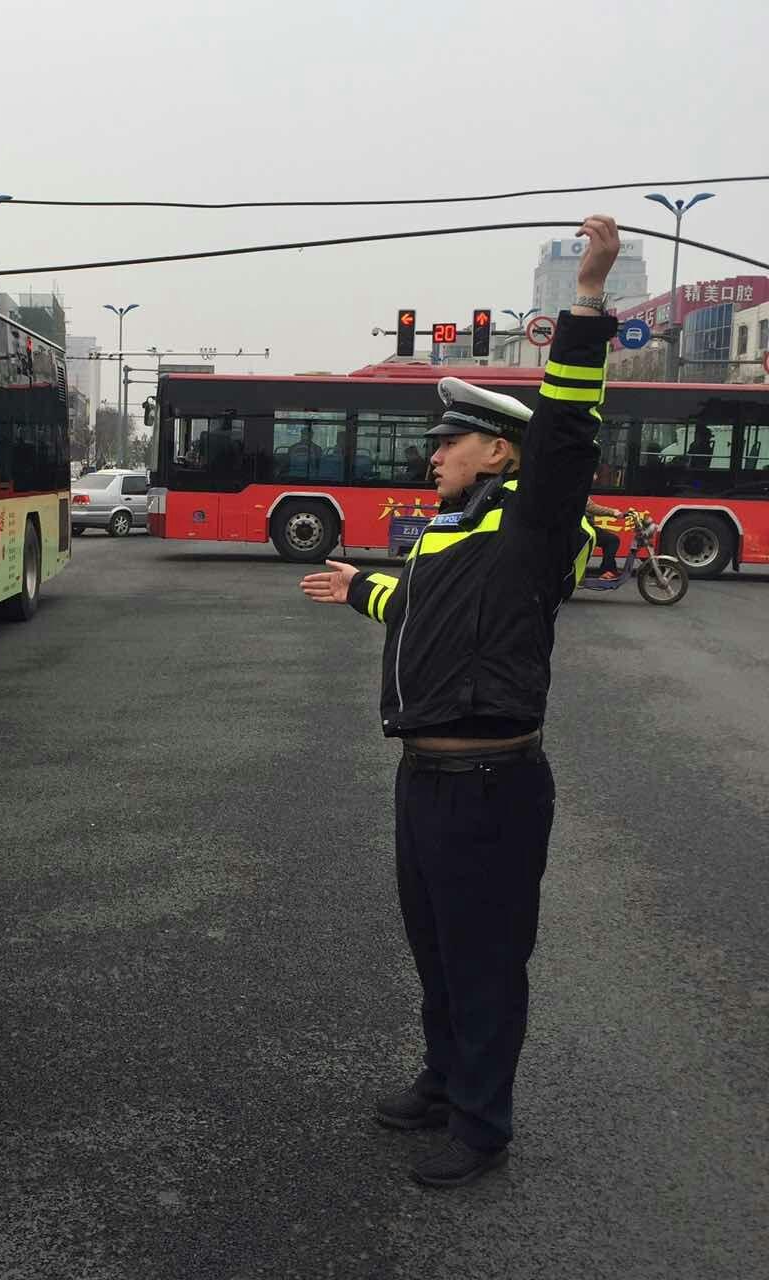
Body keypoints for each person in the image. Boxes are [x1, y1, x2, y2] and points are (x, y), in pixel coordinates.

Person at [300, 215, 618, 1189]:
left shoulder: (529, 531)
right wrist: (358, 587)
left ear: (497, 454)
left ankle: (482, 1124)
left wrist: (587, 299)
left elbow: (565, 432)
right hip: (424, 779)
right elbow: (418, 617)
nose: (430, 455)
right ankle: (444, 1078)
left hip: (489, 782)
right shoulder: (444, 536)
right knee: (434, 946)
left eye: (448, 443)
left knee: (483, 959)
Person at [586, 498, 624, 578]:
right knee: (612, 540)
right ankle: (607, 570)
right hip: (584, 529)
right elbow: (592, 507)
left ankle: (610, 569)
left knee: (610, 539)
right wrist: (613, 512)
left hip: (582, 528)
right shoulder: (578, 491)